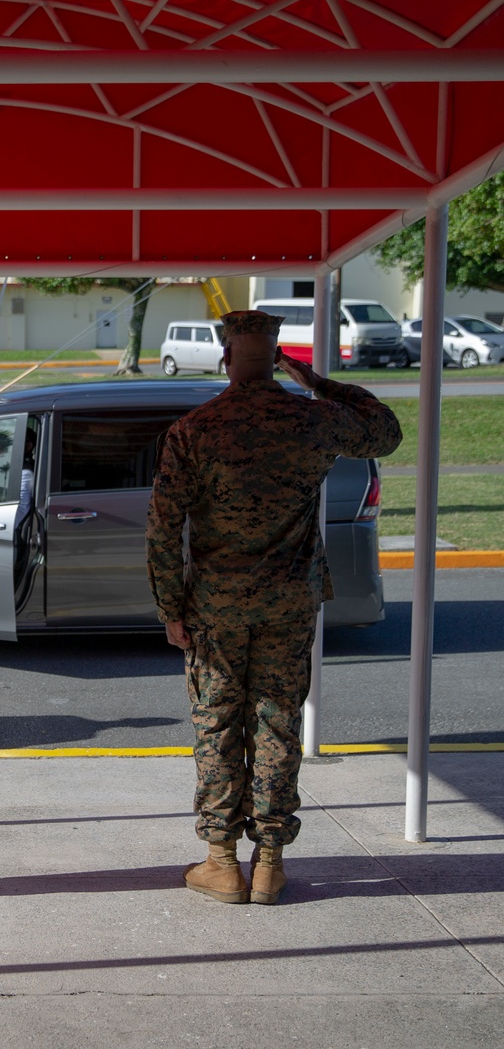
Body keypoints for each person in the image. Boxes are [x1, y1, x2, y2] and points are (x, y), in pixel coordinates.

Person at [145, 310, 402, 905]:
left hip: (215, 606)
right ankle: (269, 864)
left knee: (218, 726)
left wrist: (169, 608)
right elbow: (384, 430)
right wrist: (316, 382)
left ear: (226, 356)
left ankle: (220, 861)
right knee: (277, 724)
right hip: (290, 602)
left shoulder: (195, 429)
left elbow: (163, 528)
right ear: (278, 355)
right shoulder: (311, 419)